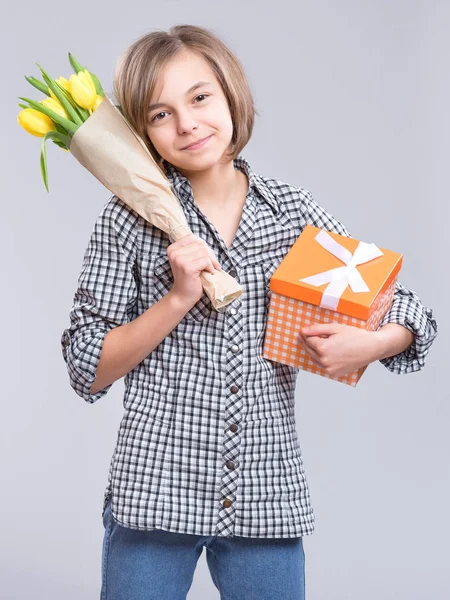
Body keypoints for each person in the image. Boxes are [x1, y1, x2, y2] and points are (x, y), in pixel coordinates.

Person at [60, 25, 438, 600]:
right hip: (156, 491)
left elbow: (410, 312)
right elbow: (86, 365)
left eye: (200, 97)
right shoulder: (130, 219)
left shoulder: (289, 215)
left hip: (266, 496)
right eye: (160, 114)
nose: (187, 124)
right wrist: (178, 297)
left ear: (231, 95)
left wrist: (374, 343)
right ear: (138, 132)